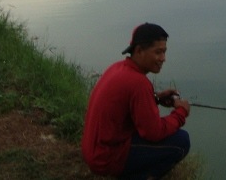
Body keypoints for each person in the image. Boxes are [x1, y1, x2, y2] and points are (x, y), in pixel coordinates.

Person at [82, 23, 191, 179]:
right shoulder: (138, 83)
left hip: (93, 151)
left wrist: (156, 98)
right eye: (158, 52)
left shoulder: (118, 67)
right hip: (106, 159)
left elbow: (127, 105)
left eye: (164, 52)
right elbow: (154, 133)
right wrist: (181, 112)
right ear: (139, 50)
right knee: (182, 141)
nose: (163, 58)